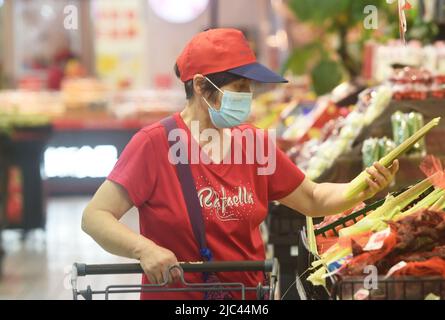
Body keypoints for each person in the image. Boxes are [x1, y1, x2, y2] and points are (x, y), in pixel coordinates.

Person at [81, 28, 399, 300]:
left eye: (250, 89)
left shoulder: (255, 144)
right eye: (240, 89)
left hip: (248, 298)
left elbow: (313, 199)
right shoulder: (154, 145)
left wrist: (362, 186)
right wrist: (143, 249)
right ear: (203, 87)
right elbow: (95, 216)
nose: (248, 97)